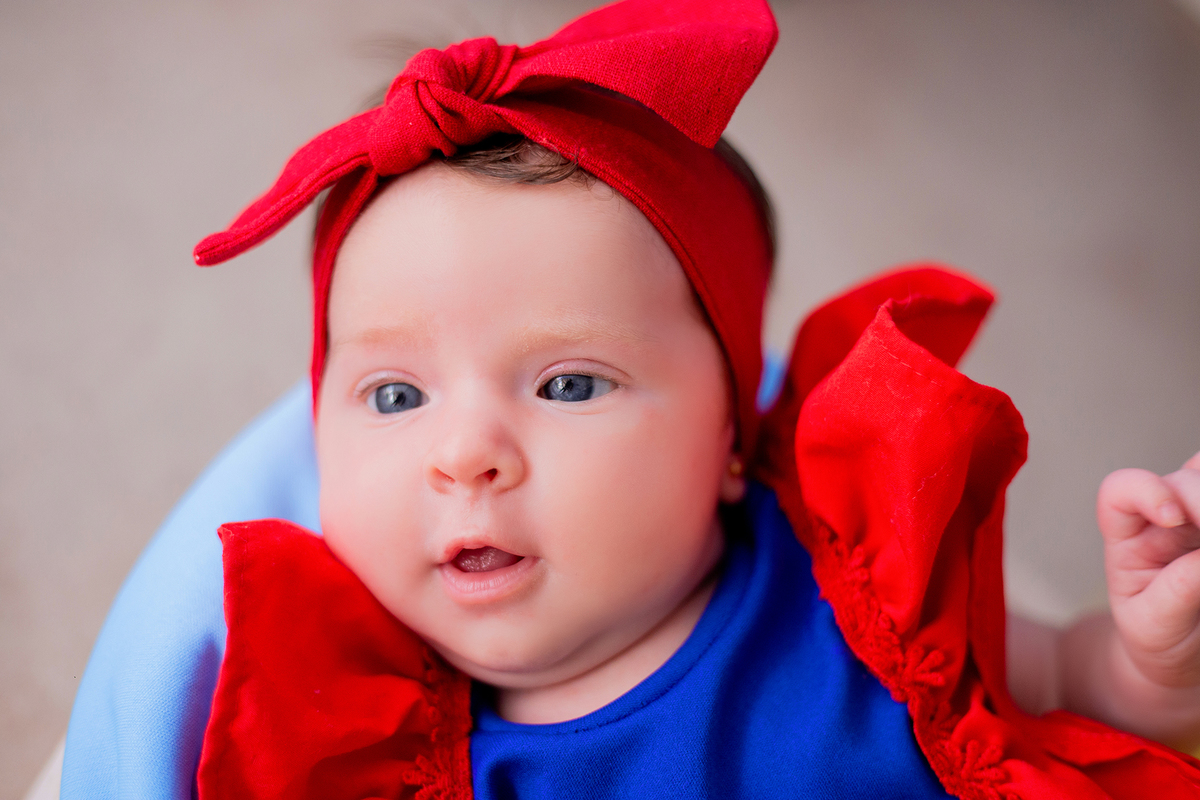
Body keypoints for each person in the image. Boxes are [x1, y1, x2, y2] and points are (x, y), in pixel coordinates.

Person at [62, 0, 1200, 797]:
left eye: (566, 382)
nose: (465, 454)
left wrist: (1148, 656)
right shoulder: (371, 750)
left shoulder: (861, 588)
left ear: (729, 441)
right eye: (394, 393)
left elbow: (1068, 691)